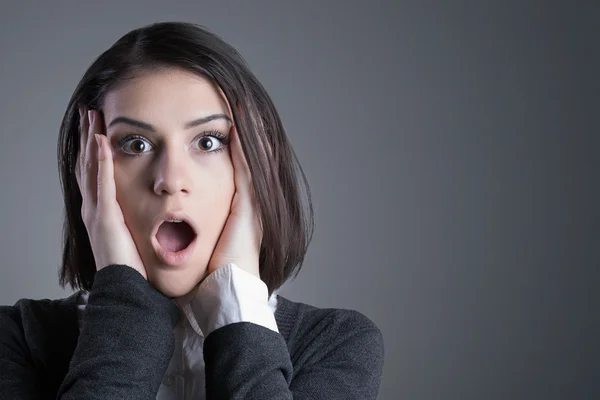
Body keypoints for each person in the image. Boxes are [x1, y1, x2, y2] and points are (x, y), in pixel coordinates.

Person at [0, 22, 384, 399]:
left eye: (207, 141)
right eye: (135, 145)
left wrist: (236, 298)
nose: (169, 179)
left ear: (257, 168)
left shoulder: (337, 343)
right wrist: (124, 294)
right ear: (87, 170)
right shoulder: (15, 339)